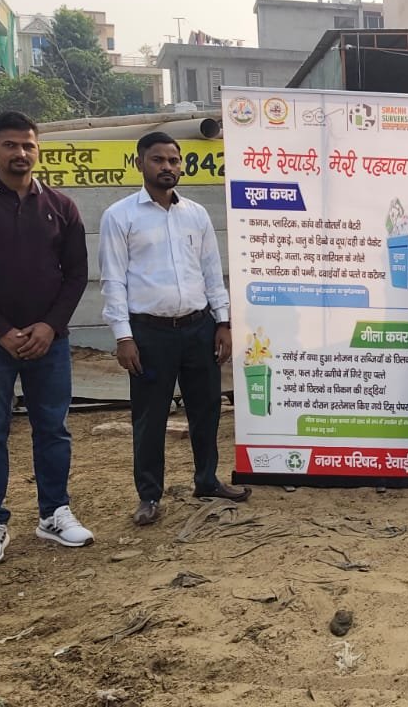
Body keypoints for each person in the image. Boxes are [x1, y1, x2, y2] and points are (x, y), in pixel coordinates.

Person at [0, 111, 94, 565]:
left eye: (28, 145)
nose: (20, 153)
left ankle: (54, 513)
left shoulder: (61, 206)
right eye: (10, 145)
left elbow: (76, 274)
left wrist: (49, 326)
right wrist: (1, 331)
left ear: (37, 149)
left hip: (49, 343)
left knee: (53, 430)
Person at [99, 132, 246, 526]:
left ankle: (207, 480)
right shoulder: (119, 216)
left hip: (199, 328)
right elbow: (112, 280)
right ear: (139, 163)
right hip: (149, 334)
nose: (167, 167)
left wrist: (223, 322)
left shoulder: (196, 214)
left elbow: (212, 272)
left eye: (173, 160)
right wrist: (123, 336)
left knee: (207, 408)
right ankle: (149, 495)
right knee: (150, 417)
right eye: (158, 160)